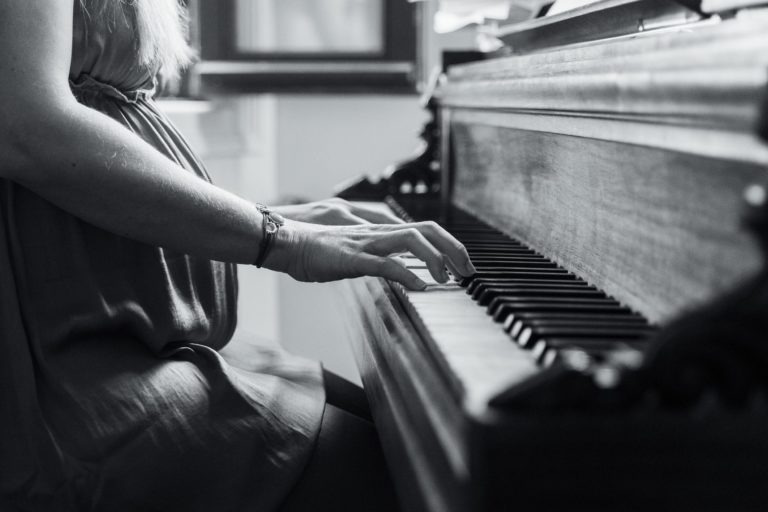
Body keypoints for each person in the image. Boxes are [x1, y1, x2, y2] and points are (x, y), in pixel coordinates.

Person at [0, 0, 476, 511]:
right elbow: (23, 125)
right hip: (63, 373)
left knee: (401, 436)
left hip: (136, 338)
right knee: (408, 473)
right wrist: (282, 239)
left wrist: (271, 217)